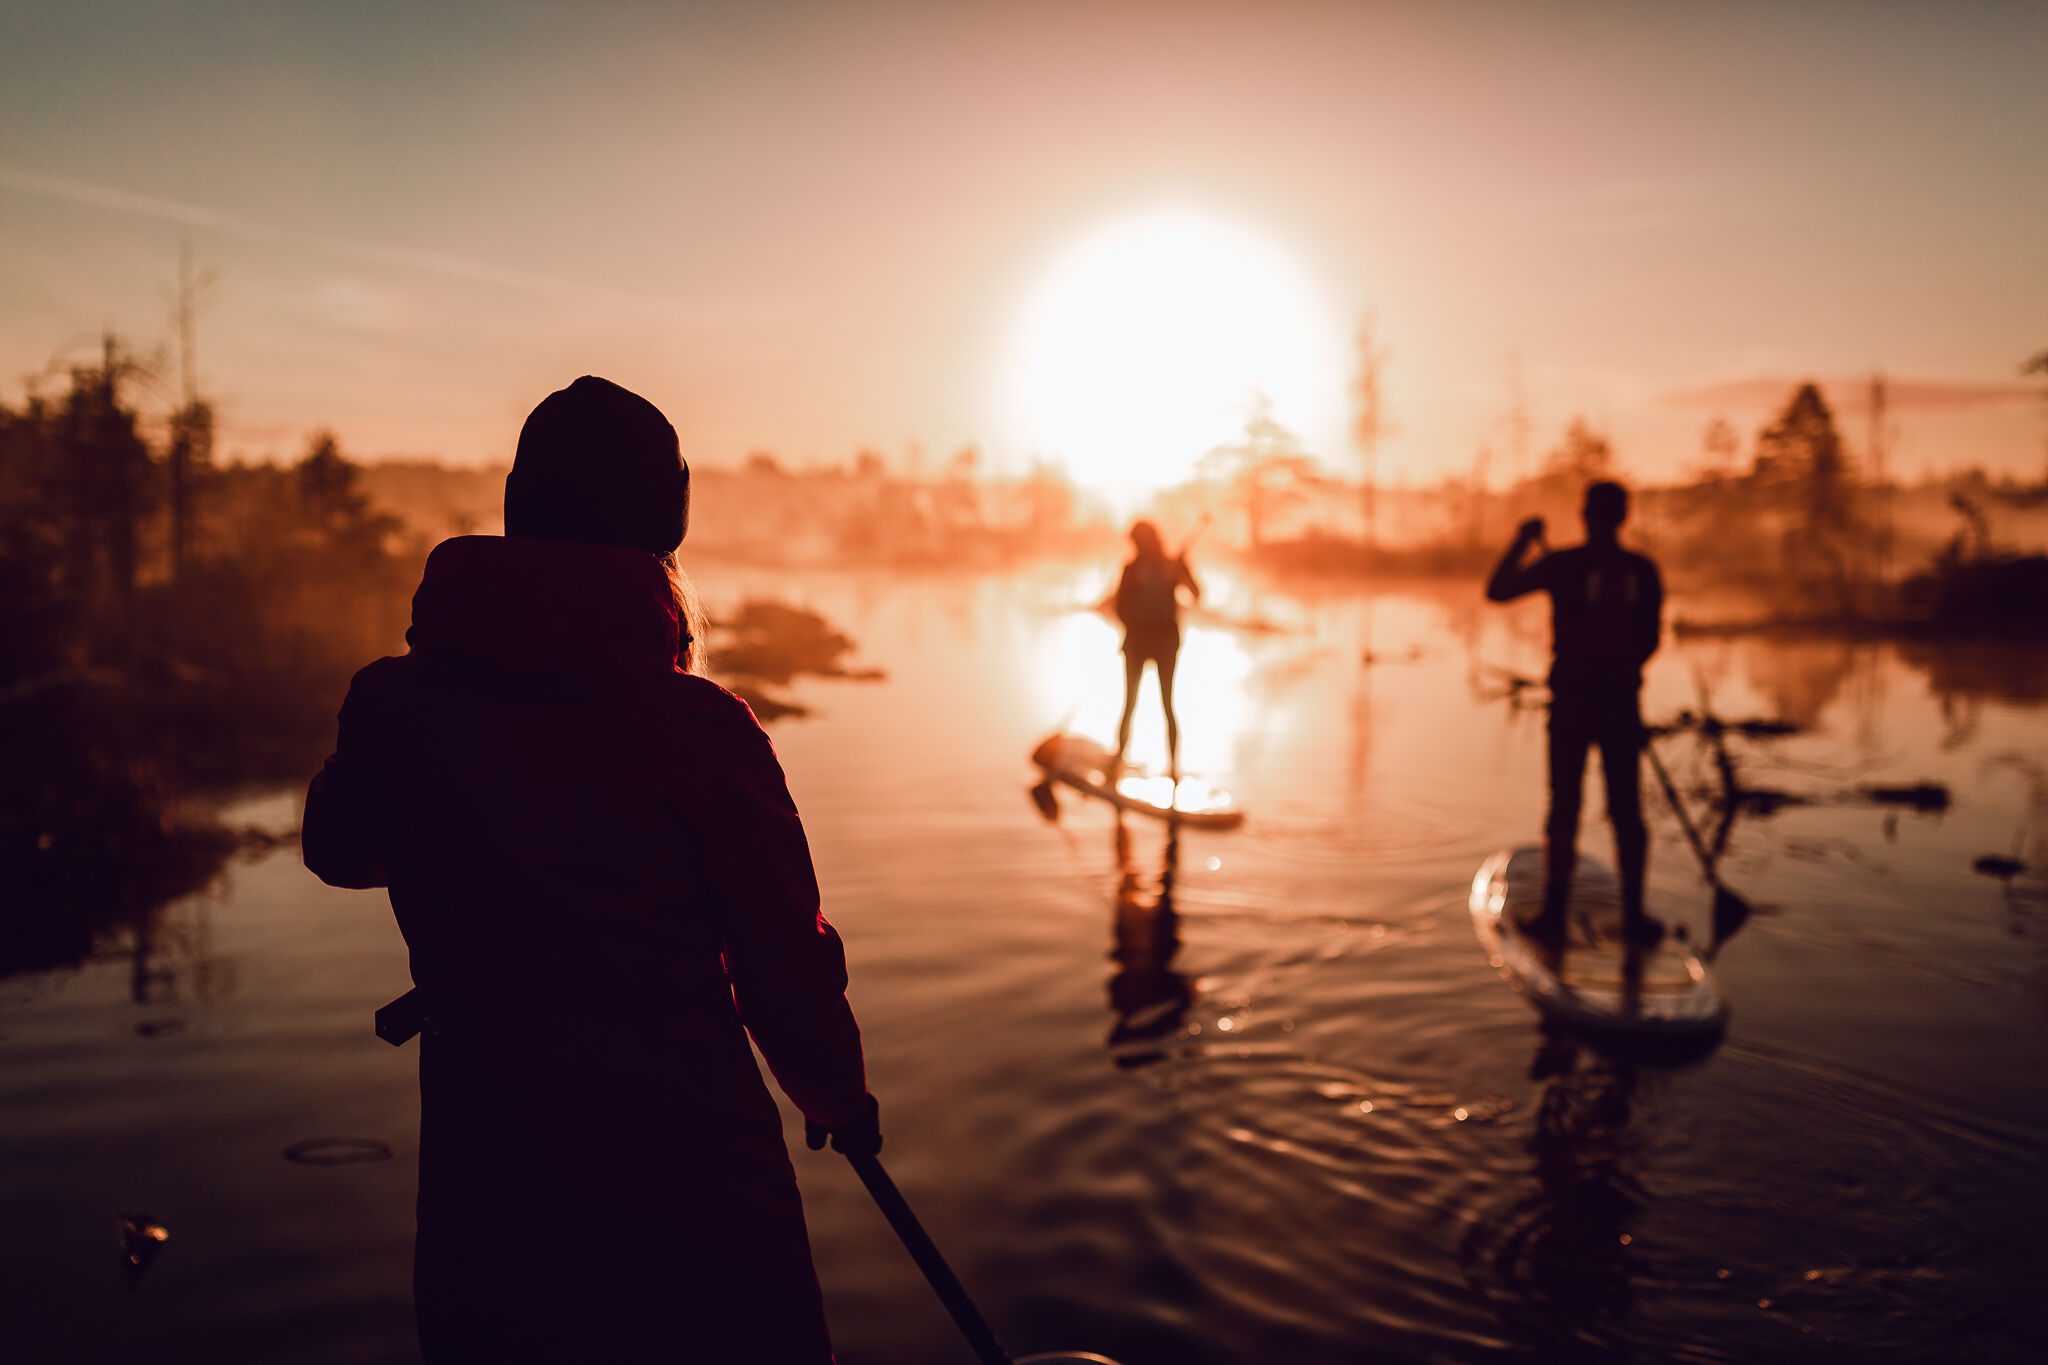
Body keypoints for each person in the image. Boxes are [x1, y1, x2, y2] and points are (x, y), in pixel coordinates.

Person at [303, 376, 876, 1363]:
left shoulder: (395, 711)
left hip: (491, 1217)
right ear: (669, 516)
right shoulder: (699, 736)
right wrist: (837, 1101)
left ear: (519, 507)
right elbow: (784, 969)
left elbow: (337, 850)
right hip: (700, 1215)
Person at [1485, 480, 1663, 947]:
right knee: (1626, 810)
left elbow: (1498, 588)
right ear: (1623, 517)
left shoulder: (1565, 565)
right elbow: (1649, 643)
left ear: (1586, 516)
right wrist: (1618, 666)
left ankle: (1554, 917)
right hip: (1620, 702)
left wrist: (1523, 540)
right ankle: (1634, 917)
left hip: (1577, 702)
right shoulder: (1640, 571)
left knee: (1565, 805)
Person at [1111, 520, 1200, 778]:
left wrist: (1182, 570)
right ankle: (1119, 760)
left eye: (1138, 542)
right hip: (1142, 643)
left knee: (1165, 705)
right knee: (1131, 704)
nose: (1136, 547)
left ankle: (1173, 769)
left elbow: (1196, 593)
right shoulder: (1132, 569)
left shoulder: (1167, 566)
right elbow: (1120, 608)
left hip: (1161, 644)